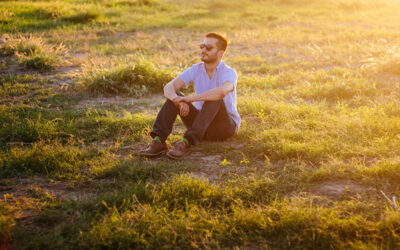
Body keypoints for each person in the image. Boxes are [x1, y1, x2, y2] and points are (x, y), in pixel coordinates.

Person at [139, 32, 240, 159]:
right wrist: (177, 100)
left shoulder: (229, 72)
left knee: (215, 98)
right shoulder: (196, 69)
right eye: (202, 46)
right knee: (174, 95)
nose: (203, 50)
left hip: (223, 127)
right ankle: (159, 142)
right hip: (200, 123)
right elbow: (169, 87)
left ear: (220, 53)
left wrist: (189, 99)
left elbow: (221, 92)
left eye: (208, 48)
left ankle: (187, 142)